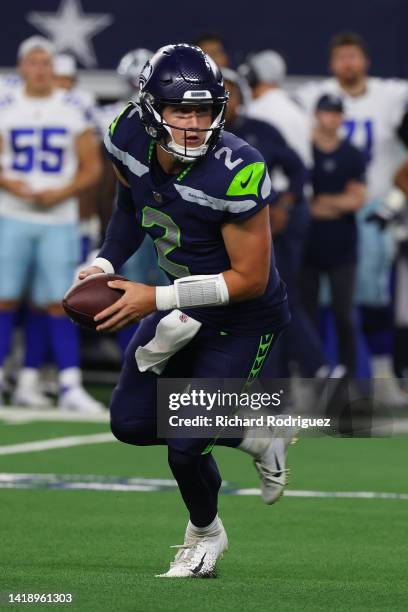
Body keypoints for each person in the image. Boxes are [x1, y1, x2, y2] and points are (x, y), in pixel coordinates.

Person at [77, 44, 292, 578]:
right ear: (151, 110)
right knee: (129, 422)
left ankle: (205, 536)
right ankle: (254, 431)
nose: (195, 124)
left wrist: (155, 297)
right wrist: (104, 260)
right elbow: (132, 205)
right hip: (179, 303)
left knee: (185, 445)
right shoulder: (125, 134)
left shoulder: (237, 168)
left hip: (242, 318)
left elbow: (250, 280)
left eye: (204, 110)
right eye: (181, 110)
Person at [296, 32, 408, 400]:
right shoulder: (311, 95)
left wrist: (393, 198)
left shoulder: (389, 95)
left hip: (374, 209)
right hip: (321, 217)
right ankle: (320, 378)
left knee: (371, 296)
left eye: (353, 56)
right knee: (314, 300)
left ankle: (378, 373)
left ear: (366, 61)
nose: (347, 63)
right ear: (332, 64)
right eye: (341, 57)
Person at [0, 36, 104, 411]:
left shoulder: (72, 108)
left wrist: (64, 191)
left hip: (59, 218)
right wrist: (10, 183)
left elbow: (92, 167)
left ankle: (69, 385)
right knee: (5, 298)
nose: (40, 69)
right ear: (22, 67)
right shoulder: (6, 106)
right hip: (12, 212)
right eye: (34, 62)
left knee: (61, 303)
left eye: (46, 63)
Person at [222, 67, 329, 379]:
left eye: (232, 93)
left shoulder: (261, 129)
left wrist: (286, 202)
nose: (226, 100)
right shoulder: (197, 136)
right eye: (221, 92)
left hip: (260, 228)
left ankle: (311, 371)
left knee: (272, 297)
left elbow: (297, 168)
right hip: (215, 233)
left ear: (243, 97)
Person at [301, 94, 367, 376]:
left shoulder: (351, 153)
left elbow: (356, 200)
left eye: (336, 113)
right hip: (308, 246)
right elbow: (303, 204)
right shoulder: (304, 150)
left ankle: (350, 378)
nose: (331, 118)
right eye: (327, 112)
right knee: (307, 316)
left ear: (342, 117)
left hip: (342, 248)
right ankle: (311, 375)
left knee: (344, 316)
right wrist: (335, 203)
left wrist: (322, 203)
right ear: (317, 114)